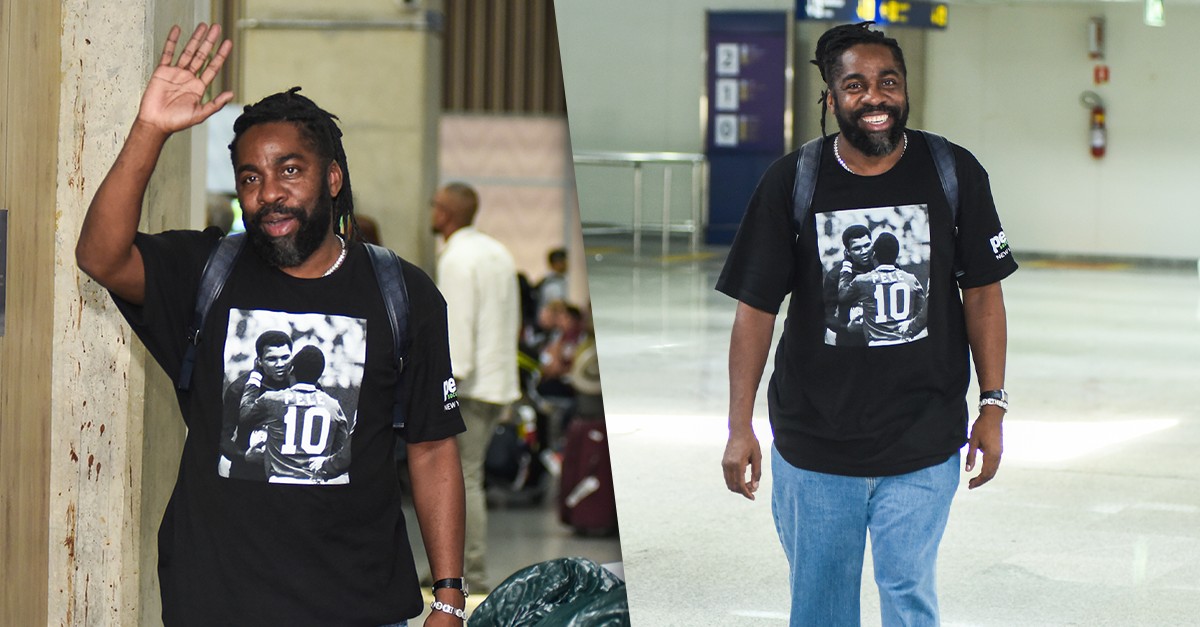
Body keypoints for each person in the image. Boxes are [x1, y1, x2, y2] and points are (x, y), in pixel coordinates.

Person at [75, 24, 467, 626]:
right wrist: (151, 128)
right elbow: (100, 256)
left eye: (290, 171)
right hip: (217, 601)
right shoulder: (207, 269)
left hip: (357, 605)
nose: (269, 194)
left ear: (331, 179)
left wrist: (447, 595)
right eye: (252, 177)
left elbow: (433, 445)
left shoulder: (402, 293)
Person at [716, 22, 1017, 627]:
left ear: (905, 90)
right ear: (829, 99)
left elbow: (983, 294)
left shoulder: (954, 172)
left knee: (909, 599)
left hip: (924, 440)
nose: (875, 97)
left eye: (888, 82)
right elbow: (756, 311)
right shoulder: (792, 181)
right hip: (815, 445)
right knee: (822, 610)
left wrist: (993, 404)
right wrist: (739, 426)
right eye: (855, 85)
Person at [431, 182, 520, 591]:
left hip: (466, 386)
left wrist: (446, 386)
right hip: (496, 381)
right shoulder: (496, 252)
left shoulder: (458, 259)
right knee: (469, 476)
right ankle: (462, 569)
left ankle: (471, 572)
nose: (431, 212)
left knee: (463, 479)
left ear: (446, 213)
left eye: (435, 206)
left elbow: (457, 327)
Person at [243, 345, 353, 484]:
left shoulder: (272, 399)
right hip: (315, 484)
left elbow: (245, 414)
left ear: (292, 370)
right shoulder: (333, 406)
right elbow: (340, 452)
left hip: (279, 482)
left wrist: (255, 374)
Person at [219, 329, 294, 480]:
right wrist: (244, 456)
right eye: (272, 359)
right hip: (248, 474)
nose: (280, 364)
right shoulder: (238, 389)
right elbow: (221, 436)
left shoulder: (305, 384)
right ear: (259, 360)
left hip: (290, 473)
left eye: (285, 358)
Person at [839, 231, 929, 346]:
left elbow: (842, 295)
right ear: (896, 254)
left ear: (874, 254)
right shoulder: (911, 280)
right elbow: (921, 313)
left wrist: (846, 264)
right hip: (904, 342)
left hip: (877, 344)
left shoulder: (863, 280)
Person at [822, 223, 874, 345]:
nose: (864, 251)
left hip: (881, 339)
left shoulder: (883, 266)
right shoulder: (834, 276)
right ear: (848, 251)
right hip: (850, 342)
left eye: (867, 245)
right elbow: (826, 316)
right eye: (857, 248)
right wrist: (846, 327)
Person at [537, 247, 569, 311]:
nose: (567, 264)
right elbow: (557, 307)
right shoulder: (552, 283)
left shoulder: (558, 280)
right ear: (556, 263)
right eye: (564, 261)